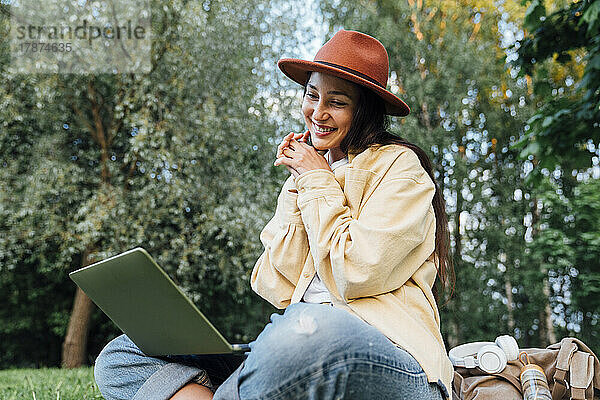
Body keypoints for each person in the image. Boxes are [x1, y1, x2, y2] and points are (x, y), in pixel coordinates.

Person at [93, 29, 455, 400]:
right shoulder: (312, 170)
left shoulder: (400, 168)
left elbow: (356, 271)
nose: (317, 112)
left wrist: (316, 180)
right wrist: (302, 183)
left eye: (337, 102)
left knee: (304, 329)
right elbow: (276, 285)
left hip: (386, 358)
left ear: (366, 110)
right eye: (312, 95)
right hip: (294, 348)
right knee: (123, 355)